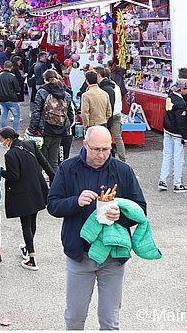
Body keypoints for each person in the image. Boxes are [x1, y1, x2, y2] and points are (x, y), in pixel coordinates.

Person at [47, 126, 147, 330]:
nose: (101, 155)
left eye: (106, 149)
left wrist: (122, 217)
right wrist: (76, 202)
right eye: (96, 149)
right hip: (80, 255)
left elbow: (141, 209)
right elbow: (52, 205)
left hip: (113, 256)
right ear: (85, 144)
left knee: (110, 320)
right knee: (75, 317)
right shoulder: (68, 168)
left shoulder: (123, 170)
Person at [0, 127, 54, 271]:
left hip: (23, 194)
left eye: (1, 139)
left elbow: (14, 176)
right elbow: (44, 162)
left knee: (25, 224)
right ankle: (27, 247)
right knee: (32, 221)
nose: (1, 142)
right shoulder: (30, 144)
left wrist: (1, 172)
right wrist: (54, 178)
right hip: (37, 189)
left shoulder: (10, 154)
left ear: (8, 139)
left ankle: (32, 257)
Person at [30, 69, 76, 170]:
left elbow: (36, 112)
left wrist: (32, 129)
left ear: (45, 79)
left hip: (45, 129)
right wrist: (66, 126)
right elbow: (71, 114)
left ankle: (40, 184)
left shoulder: (42, 92)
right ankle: (54, 183)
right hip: (60, 129)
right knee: (54, 162)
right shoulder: (66, 94)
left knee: (41, 160)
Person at [159, 79, 187, 193]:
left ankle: (162, 180)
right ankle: (177, 184)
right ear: (182, 89)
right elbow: (181, 122)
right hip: (177, 133)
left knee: (167, 155)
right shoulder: (181, 103)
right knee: (178, 159)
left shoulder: (170, 97)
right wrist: (186, 137)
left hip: (167, 129)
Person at [97, 67, 126, 161]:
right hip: (117, 112)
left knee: (105, 138)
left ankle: (109, 158)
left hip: (110, 114)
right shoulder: (115, 86)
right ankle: (123, 159)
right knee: (118, 138)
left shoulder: (105, 88)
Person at [0, 60, 23, 131]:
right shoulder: (12, 76)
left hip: (2, 98)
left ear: (4, 66)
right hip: (12, 98)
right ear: (11, 67)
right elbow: (17, 88)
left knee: (4, 116)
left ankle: (3, 132)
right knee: (16, 116)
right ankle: (14, 132)